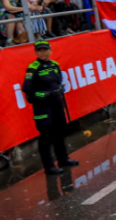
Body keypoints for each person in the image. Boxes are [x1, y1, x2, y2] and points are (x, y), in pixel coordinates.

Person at [21, 41, 77, 175]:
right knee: (46, 136)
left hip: (57, 104)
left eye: (45, 50)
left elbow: (58, 82)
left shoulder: (54, 64)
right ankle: (49, 166)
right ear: (35, 52)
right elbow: (27, 89)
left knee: (59, 132)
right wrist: (43, 94)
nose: (43, 53)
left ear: (50, 50)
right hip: (43, 107)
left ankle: (63, 159)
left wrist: (58, 90)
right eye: (39, 50)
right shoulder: (33, 67)